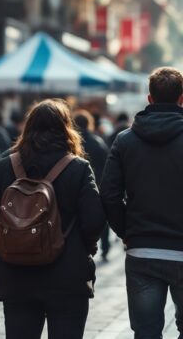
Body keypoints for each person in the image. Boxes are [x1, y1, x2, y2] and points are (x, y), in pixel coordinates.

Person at [100, 67, 183, 338]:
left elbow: (109, 195)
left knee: (146, 331)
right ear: (182, 99)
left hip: (142, 251)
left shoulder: (125, 141)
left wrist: (127, 232)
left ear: (149, 99)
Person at [0, 100, 104, 339]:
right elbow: (94, 220)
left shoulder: (5, 166)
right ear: (66, 128)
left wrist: (10, 240)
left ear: (28, 127)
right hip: (67, 276)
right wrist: (80, 246)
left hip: (16, 275)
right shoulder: (78, 168)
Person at [73, 109, 112, 262]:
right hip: (98, 185)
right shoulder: (98, 142)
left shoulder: (70, 143)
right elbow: (108, 165)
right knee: (100, 218)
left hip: (76, 188)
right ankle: (105, 248)